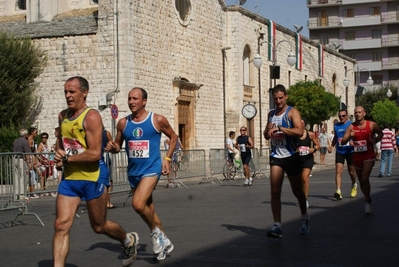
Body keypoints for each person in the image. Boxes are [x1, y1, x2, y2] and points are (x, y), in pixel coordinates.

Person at [52, 76, 138, 267]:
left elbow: (93, 154)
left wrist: (67, 158)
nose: (68, 95)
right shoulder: (62, 116)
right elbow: (61, 145)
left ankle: (127, 240)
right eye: (65, 91)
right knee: (60, 225)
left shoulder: (91, 117)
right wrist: (58, 155)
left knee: (99, 226)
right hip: (70, 179)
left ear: (84, 92)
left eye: (72, 91)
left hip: (93, 177)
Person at [106, 87, 177, 261]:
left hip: (151, 169)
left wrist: (167, 159)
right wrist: (113, 147)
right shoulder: (123, 123)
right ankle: (164, 240)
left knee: (138, 204)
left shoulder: (157, 120)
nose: (131, 102)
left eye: (135, 99)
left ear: (144, 101)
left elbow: (174, 137)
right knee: (148, 209)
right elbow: (117, 145)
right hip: (134, 173)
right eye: (129, 99)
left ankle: (155, 235)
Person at [264, 84, 309, 238]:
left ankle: (304, 216)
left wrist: (281, 129)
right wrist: (268, 131)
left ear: (286, 97)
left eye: (281, 98)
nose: (278, 101)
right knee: (275, 191)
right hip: (276, 156)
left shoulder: (292, 112)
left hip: (291, 156)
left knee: (297, 191)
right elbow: (265, 135)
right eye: (275, 99)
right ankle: (277, 225)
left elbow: (299, 131)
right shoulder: (271, 114)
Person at [341, 106, 383, 214]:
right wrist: (349, 136)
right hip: (357, 156)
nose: (357, 114)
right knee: (361, 181)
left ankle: (367, 202)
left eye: (360, 112)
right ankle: (368, 199)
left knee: (365, 178)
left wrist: (375, 139)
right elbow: (342, 141)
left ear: (364, 113)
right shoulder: (351, 127)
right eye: (356, 112)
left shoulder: (371, 124)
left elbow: (380, 133)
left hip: (368, 155)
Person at [328, 109, 358, 200]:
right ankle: (338, 191)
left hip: (350, 151)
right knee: (338, 170)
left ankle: (354, 184)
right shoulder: (336, 126)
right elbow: (336, 137)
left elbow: (357, 136)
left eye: (343, 116)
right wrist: (332, 146)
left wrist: (354, 142)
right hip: (340, 150)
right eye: (340, 116)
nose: (341, 117)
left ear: (347, 116)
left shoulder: (351, 125)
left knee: (351, 171)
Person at [297, 118, 319, 208]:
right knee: (299, 181)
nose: (300, 124)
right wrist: (295, 150)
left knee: (305, 178)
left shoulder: (310, 134)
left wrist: (312, 149)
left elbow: (318, 145)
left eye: (302, 123)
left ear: (305, 124)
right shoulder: (294, 135)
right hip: (297, 159)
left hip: (307, 159)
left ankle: (305, 199)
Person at [13, 128, 33, 198]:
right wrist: (29, 162)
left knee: (16, 177)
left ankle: (16, 195)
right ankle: (22, 195)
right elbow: (27, 153)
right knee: (23, 177)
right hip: (21, 160)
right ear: (25, 135)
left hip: (15, 159)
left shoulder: (16, 141)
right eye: (27, 134)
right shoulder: (25, 141)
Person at [102, 129, 115, 208]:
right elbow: (112, 145)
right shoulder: (106, 133)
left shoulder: (88, 131)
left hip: (97, 158)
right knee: (109, 180)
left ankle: (104, 202)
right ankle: (107, 202)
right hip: (104, 158)